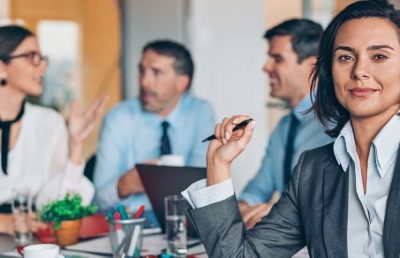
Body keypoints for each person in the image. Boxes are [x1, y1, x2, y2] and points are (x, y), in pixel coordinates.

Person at [183, 0, 400, 257]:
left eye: (379, 56)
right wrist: (218, 166)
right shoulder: (313, 169)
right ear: (328, 71)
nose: (359, 70)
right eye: (345, 57)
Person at [0, 25, 107, 234]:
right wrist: (4, 222)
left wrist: (75, 148)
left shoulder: (49, 122)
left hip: (32, 241)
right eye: (32, 57)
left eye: (42, 58)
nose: (42, 67)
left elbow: (61, 205)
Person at [93, 40, 216, 214]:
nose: (144, 82)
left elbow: (204, 184)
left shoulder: (200, 112)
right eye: (142, 71)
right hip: (133, 220)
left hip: (185, 220)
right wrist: (124, 185)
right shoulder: (117, 118)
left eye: (156, 73)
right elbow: (98, 199)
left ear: (182, 83)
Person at [238, 19, 332, 228]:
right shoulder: (284, 127)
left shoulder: (335, 124)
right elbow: (258, 190)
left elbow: (334, 203)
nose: (266, 67)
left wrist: (281, 214)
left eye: (277, 59)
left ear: (312, 66)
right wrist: (244, 209)